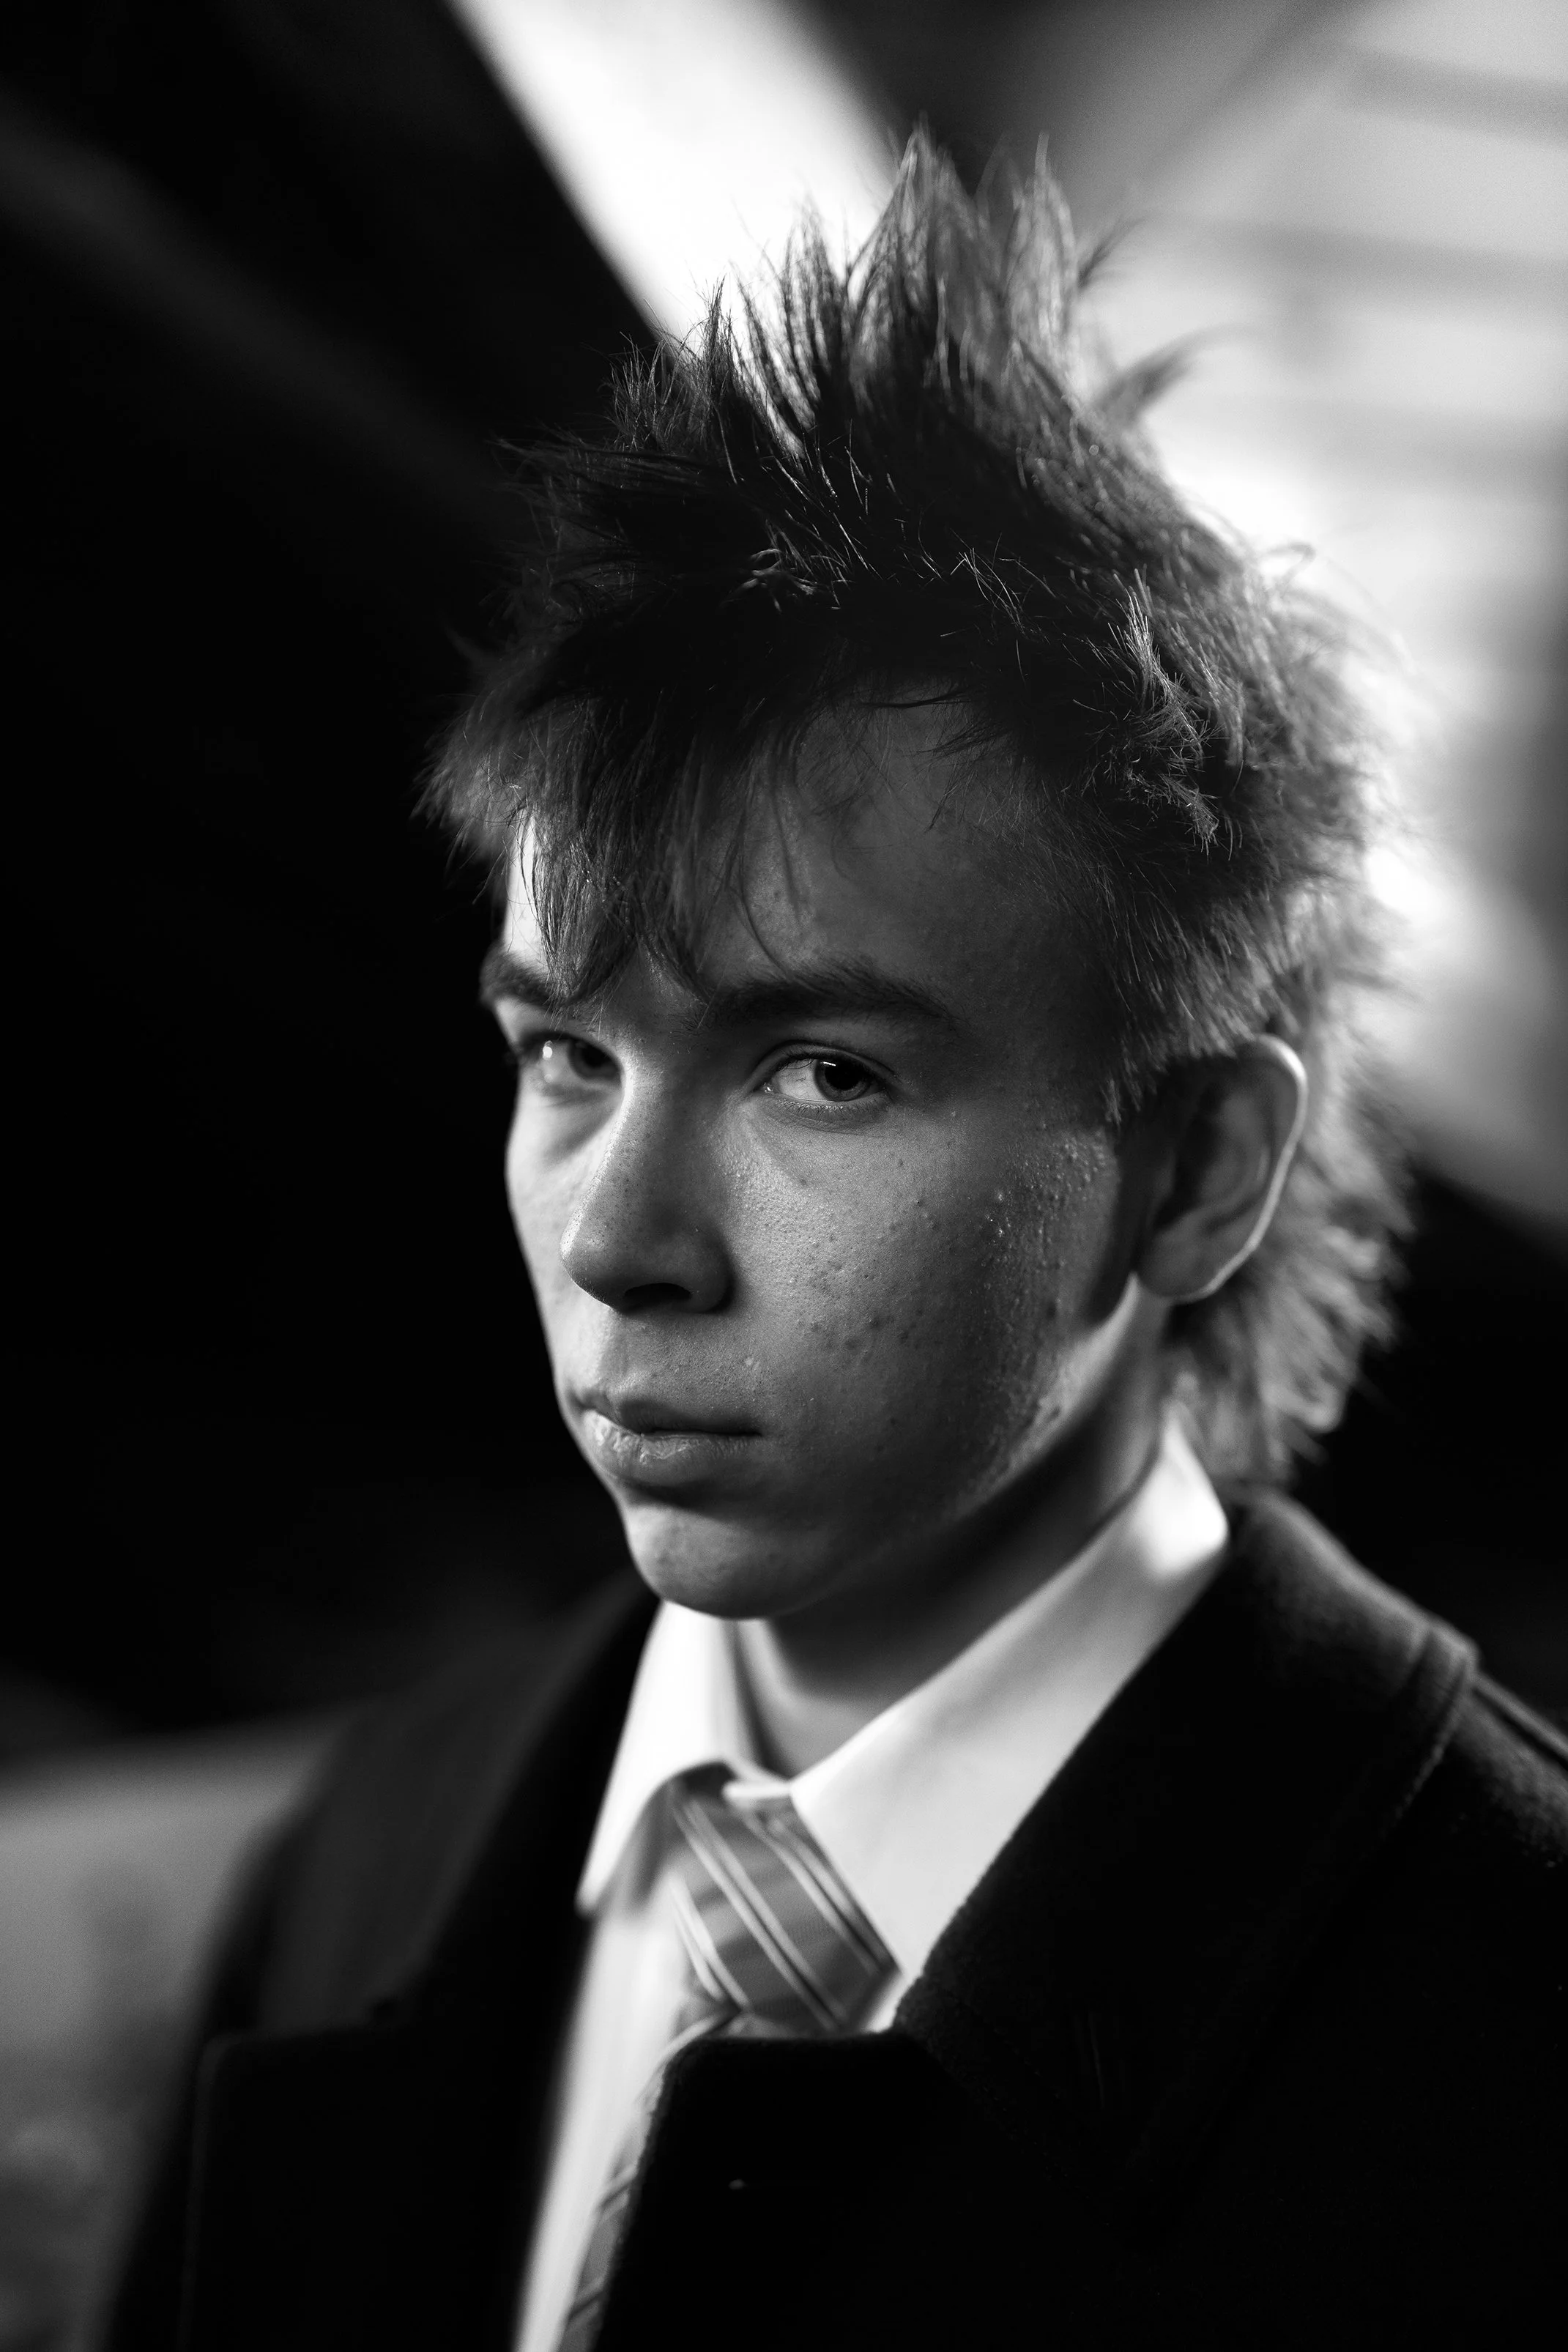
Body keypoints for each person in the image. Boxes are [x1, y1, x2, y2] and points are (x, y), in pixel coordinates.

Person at [108, 136, 1566, 2351]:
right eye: (569, 1054)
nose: (620, 1244)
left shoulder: (1516, 2032)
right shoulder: (375, 1853)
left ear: (1190, 1173)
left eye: (823, 1078)